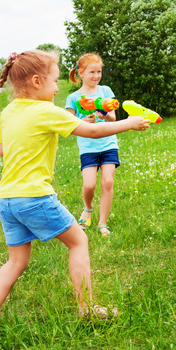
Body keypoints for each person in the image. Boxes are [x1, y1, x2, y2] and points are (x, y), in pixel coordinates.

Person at [0, 50, 149, 336]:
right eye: (54, 81)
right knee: (78, 241)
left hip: (6, 198)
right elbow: (89, 133)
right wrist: (129, 123)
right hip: (33, 196)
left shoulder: (9, 112)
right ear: (37, 81)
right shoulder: (44, 110)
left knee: (16, 260)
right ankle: (87, 309)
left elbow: (2, 150)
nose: (57, 87)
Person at [64, 53, 119, 237]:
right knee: (89, 185)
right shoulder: (73, 98)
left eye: (99, 71)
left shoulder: (105, 91)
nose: (96, 76)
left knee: (108, 182)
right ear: (80, 73)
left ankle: (102, 223)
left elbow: (113, 118)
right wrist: (83, 121)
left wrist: (106, 116)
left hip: (108, 143)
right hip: (88, 146)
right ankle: (88, 207)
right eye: (92, 72)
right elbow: (69, 124)